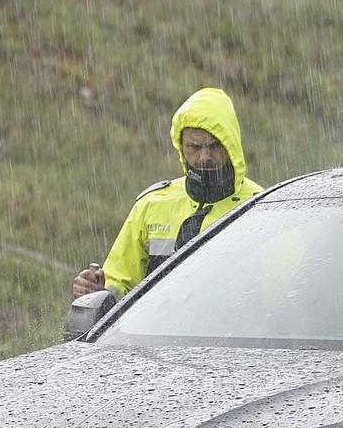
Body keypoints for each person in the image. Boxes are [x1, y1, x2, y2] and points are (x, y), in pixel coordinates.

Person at [70, 87, 266, 301]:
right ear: (181, 147)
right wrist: (98, 295)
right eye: (194, 147)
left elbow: (279, 290)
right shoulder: (152, 204)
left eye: (215, 146)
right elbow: (119, 284)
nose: (204, 157)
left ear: (231, 146)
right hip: (155, 334)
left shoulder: (261, 206)